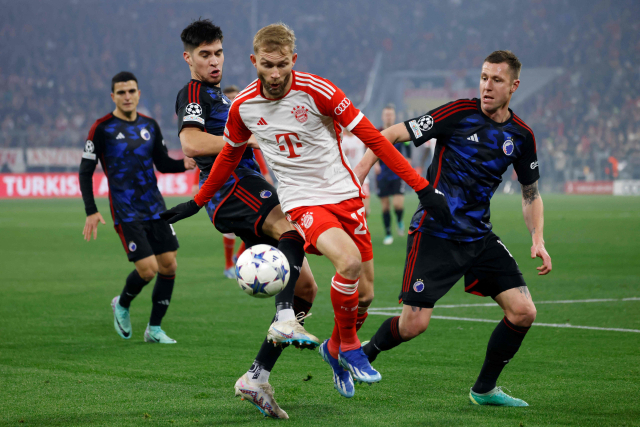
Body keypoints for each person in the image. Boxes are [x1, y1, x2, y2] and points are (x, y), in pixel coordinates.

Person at [162, 23, 451, 402]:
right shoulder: (222, 100)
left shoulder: (317, 91)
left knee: (333, 292)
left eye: (282, 64)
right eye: (267, 65)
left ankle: (259, 376)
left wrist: (422, 188)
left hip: (341, 194)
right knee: (310, 240)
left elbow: (374, 138)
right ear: (255, 62)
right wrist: (198, 200)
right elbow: (206, 146)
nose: (276, 73)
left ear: (293, 60)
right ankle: (326, 337)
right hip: (273, 195)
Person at [355, 50, 552, 407]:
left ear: (514, 86)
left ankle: (485, 389)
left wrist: (537, 237)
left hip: (478, 236)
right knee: (413, 325)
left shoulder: (521, 136)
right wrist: (363, 169)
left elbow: (530, 192)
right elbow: (393, 133)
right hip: (436, 232)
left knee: (524, 311)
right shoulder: (458, 112)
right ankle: (363, 354)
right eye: (483, 78)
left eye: (496, 80)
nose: (487, 86)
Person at [169, 19, 320, 419]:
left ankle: (256, 376)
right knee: (293, 225)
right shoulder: (195, 93)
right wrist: (245, 139)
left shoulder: (218, 93)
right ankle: (285, 318)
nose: (214, 61)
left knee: (305, 287)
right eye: (205, 55)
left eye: (218, 52)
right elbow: (191, 142)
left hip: (244, 186)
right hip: (229, 189)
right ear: (189, 58)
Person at [79, 71, 196, 344]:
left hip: (156, 207)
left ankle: (154, 329)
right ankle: (122, 303)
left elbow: (163, 163)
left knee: (169, 265)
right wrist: (91, 210)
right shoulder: (102, 128)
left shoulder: (150, 125)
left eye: (131, 91)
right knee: (148, 270)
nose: (127, 96)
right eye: (121, 92)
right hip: (126, 210)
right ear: (113, 96)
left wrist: (184, 164)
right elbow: (85, 171)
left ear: (138, 94)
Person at [216, 84, 275, 280]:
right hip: (225, 179)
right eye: (229, 99)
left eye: (236, 98)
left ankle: (239, 257)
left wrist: (264, 173)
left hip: (248, 176)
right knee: (233, 228)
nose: (233, 102)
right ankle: (227, 264)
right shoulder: (217, 124)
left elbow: (255, 148)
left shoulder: (246, 118)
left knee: (257, 219)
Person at [374, 104, 412, 245]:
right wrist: (376, 164)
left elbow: (408, 147)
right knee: (385, 206)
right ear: (383, 116)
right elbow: (371, 149)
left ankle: (400, 220)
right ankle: (388, 233)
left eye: (391, 114)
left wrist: (408, 160)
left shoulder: (400, 130)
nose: (388, 117)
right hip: (383, 174)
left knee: (398, 204)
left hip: (397, 173)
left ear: (394, 116)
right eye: (386, 114)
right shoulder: (377, 132)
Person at [341, 127, 370, 216]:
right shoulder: (341, 138)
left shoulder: (360, 136)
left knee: (366, 211)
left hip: (362, 176)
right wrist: (342, 155)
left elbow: (371, 147)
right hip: (347, 178)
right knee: (349, 211)